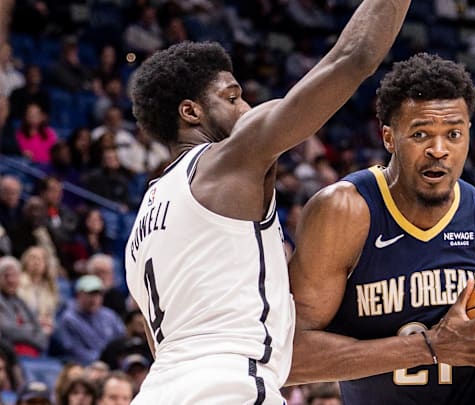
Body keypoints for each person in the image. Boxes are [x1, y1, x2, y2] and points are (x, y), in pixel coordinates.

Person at [123, 1, 411, 403]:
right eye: (233, 97)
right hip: (229, 390)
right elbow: (352, 58)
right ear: (191, 112)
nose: (246, 108)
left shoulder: (143, 227)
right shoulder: (229, 160)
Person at [287, 53, 475, 404]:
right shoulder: (345, 212)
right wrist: (429, 348)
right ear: (389, 138)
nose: (439, 150)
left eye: (453, 133)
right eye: (421, 133)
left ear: (468, 134)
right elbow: (290, 358)